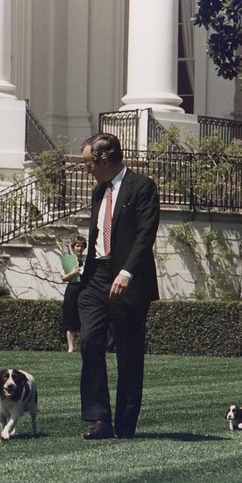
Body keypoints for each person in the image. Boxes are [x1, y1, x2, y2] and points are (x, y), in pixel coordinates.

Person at [77, 132, 160, 440]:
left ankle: (125, 426)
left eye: (88, 163)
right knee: (90, 342)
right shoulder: (99, 191)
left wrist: (127, 272)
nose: (86, 169)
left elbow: (145, 234)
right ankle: (100, 419)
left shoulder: (143, 186)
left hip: (128, 281)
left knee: (128, 354)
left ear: (105, 160)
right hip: (95, 279)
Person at [60, 235, 86, 353]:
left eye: (81, 246)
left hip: (84, 289)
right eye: (77, 246)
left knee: (85, 318)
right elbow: (64, 278)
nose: (79, 248)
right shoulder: (68, 261)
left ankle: (84, 346)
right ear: (73, 247)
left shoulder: (87, 260)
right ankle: (70, 347)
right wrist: (73, 273)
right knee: (70, 317)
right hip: (72, 289)